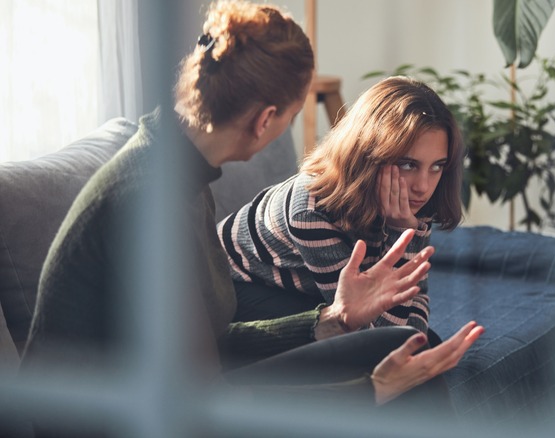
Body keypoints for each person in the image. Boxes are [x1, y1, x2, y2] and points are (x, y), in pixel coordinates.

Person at [20, 0, 482, 426]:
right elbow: (202, 400)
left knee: (395, 346)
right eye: (294, 114)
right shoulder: (146, 206)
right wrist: (371, 390)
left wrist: (333, 318)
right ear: (266, 120)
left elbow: (216, 343)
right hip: (109, 419)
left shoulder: (178, 172)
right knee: (401, 378)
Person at [218, 76, 464, 340]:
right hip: (236, 288)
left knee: (425, 343)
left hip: (312, 290)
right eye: (408, 165)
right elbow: (369, 332)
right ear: (369, 154)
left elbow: (413, 299)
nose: (423, 186)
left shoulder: (413, 200)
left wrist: (413, 341)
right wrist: (400, 233)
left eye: (437, 166)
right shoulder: (311, 210)